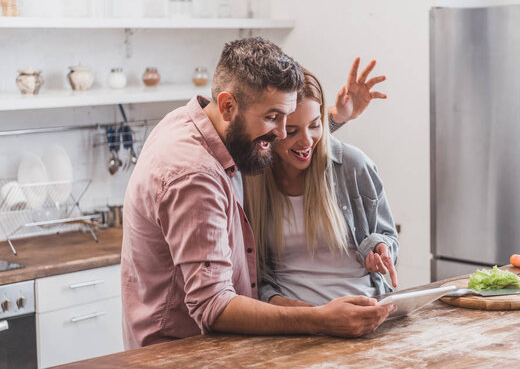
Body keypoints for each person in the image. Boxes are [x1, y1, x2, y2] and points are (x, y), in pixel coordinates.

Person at [121, 37, 395, 349]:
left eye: (286, 120)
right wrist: (321, 319)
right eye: (274, 118)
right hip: (181, 352)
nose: (280, 133)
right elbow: (214, 306)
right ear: (227, 105)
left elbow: (283, 142)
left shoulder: (197, 122)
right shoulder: (195, 175)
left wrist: (333, 117)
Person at [244, 68, 398, 307]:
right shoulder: (251, 181)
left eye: (315, 125)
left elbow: (388, 237)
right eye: (292, 131)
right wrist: (308, 316)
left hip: (365, 309)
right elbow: (257, 274)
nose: (306, 141)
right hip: (292, 321)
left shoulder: (353, 165)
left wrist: (381, 249)